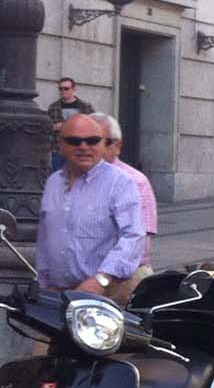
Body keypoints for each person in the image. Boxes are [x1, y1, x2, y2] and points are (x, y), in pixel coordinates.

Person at [37, 114, 146, 298]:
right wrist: (44, 283)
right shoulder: (53, 183)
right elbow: (45, 237)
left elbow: (133, 236)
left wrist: (101, 279)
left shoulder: (120, 183)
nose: (83, 147)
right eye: (74, 141)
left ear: (103, 144)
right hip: (58, 292)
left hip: (107, 291)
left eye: (92, 140)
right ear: (61, 145)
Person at [91, 112, 158, 288]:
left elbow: (139, 241)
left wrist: (103, 277)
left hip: (123, 279)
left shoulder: (135, 181)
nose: (90, 147)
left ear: (117, 146)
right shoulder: (68, 180)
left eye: (99, 141)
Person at [46, 77, 93, 172]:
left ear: (73, 89)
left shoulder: (85, 107)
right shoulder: (53, 107)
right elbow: (46, 127)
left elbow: (93, 126)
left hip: (79, 149)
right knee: (59, 176)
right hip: (58, 150)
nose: (63, 91)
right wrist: (54, 127)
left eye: (66, 88)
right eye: (60, 89)